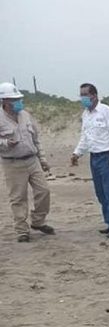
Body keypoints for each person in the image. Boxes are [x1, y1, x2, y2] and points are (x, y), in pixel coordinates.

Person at [0, 82, 54, 242]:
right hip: (12, 163)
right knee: (18, 198)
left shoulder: (25, 115)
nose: (18, 102)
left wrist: (43, 159)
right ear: (4, 101)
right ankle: (22, 231)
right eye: (14, 99)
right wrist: (5, 143)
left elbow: (36, 139)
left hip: (32, 160)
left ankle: (38, 221)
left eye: (19, 99)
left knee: (44, 191)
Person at [71, 83, 109, 238]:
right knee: (100, 193)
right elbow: (85, 137)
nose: (82, 98)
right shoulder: (85, 114)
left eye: (85, 95)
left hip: (107, 155)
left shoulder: (106, 111)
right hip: (94, 156)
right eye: (81, 95)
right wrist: (76, 153)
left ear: (94, 95)